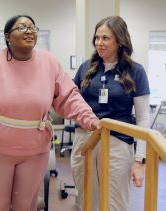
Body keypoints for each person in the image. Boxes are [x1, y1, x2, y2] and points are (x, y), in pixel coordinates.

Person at [0, 14, 99, 211]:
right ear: (7, 36)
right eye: (22, 28)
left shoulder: (49, 63)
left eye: (33, 28)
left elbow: (69, 97)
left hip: (34, 150)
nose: (29, 32)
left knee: (26, 206)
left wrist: (90, 119)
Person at [71, 16, 150, 211]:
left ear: (120, 41)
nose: (99, 42)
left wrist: (139, 160)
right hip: (85, 139)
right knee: (86, 199)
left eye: (105, 38)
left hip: (117, 142)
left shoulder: (136, 71)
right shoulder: (86, 68)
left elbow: (143, 118)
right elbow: (69, 101)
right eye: (97, 38)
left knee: (115, 202)